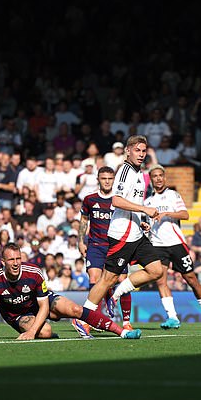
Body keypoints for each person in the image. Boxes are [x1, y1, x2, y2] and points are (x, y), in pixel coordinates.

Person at [0, 243, 141, 340]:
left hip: (41, 305)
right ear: (3, 262)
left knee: (76, 310)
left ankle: (122, 332)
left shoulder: (33, 273)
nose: (16, 263)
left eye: (18, 258)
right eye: (11, 260)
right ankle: (46, 333)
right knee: (46, 332)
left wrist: (31, 333)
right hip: (17, 315)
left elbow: (44, 306)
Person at [82, 135, 163, 320]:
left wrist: (141, 218)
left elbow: (131, 202)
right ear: (128, 151)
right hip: (122, 235)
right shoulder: (124, 171)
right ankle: (83, 318)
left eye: (143, 151)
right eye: (137, 150)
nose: (141, 154)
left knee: (156, 270)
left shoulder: (140, 175)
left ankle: (117, 293)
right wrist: (145, 209)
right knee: (106, 279)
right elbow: (116, 200)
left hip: (136, 233)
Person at [143, 164, 201, 331]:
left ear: (165, 177)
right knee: (160, 280)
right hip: (158, 245)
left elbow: (185, 214)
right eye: (155, 176)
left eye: (161, 175)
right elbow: (147, 223)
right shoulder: (147, 202)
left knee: (191, 279)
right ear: (151, 180)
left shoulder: (173, 195)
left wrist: (167, 213)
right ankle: (172, 317)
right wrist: (146, 226)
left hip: (176, 244)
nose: (159, 178)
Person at [74, 166, 134, 336]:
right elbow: (84, 220)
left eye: (110, 178)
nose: (107, 181)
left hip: (117, 247)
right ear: (98, 180)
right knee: (94, 278)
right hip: (95, 246)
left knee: (123, 281)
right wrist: (80, 241)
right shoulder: (90, 199)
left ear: (114, 180)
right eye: (104, 178)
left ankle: (127, 322)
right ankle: (92, 320)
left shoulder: (119, 200)